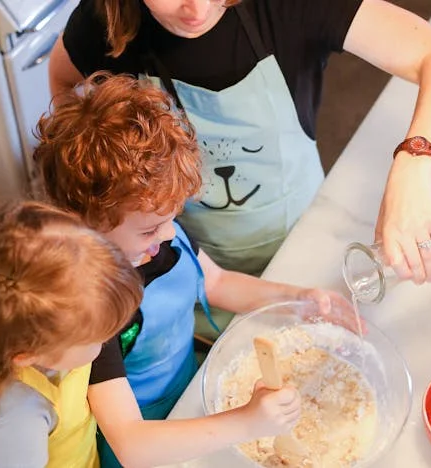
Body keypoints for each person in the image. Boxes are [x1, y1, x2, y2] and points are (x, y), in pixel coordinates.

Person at [34, 73, 356, 467]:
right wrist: (247, 423)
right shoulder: (91, 309)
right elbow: (132, 445)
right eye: (151, 228)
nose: (168, 235)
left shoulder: (159, 237)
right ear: (84, 222)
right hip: (153, 439)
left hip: (194, 394)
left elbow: (216, 282)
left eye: (173, 218)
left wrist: (296, 298)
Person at [48, 0, 431, 282]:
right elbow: (64, 76)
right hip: (182, 257)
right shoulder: (106, 20)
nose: (196, 9)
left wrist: (413, 170)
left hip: (303, 235)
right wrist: (91, 185)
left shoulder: (287, 8)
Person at [0, 201, 143, 468]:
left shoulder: (40, 337)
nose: (110, 339)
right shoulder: (17, 417)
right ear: (27, 355)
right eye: (99, 338)